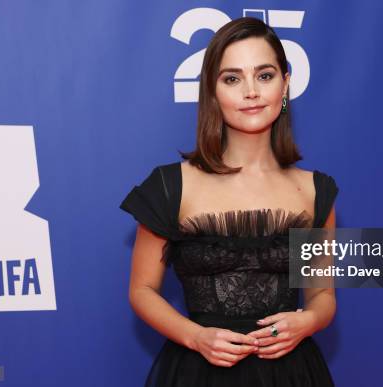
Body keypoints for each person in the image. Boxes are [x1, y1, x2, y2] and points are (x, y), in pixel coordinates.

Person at [120, 17, 339, 386]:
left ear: (285, 85)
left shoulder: (315, 191)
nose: (251, 91)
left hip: (292, 374)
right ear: (212, 90)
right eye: (232, 78)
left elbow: (322, 294)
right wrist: (195, 336)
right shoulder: (170, 185)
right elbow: (141, 291)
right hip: (198, 372)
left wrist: (309, 321)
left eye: (265, 75)